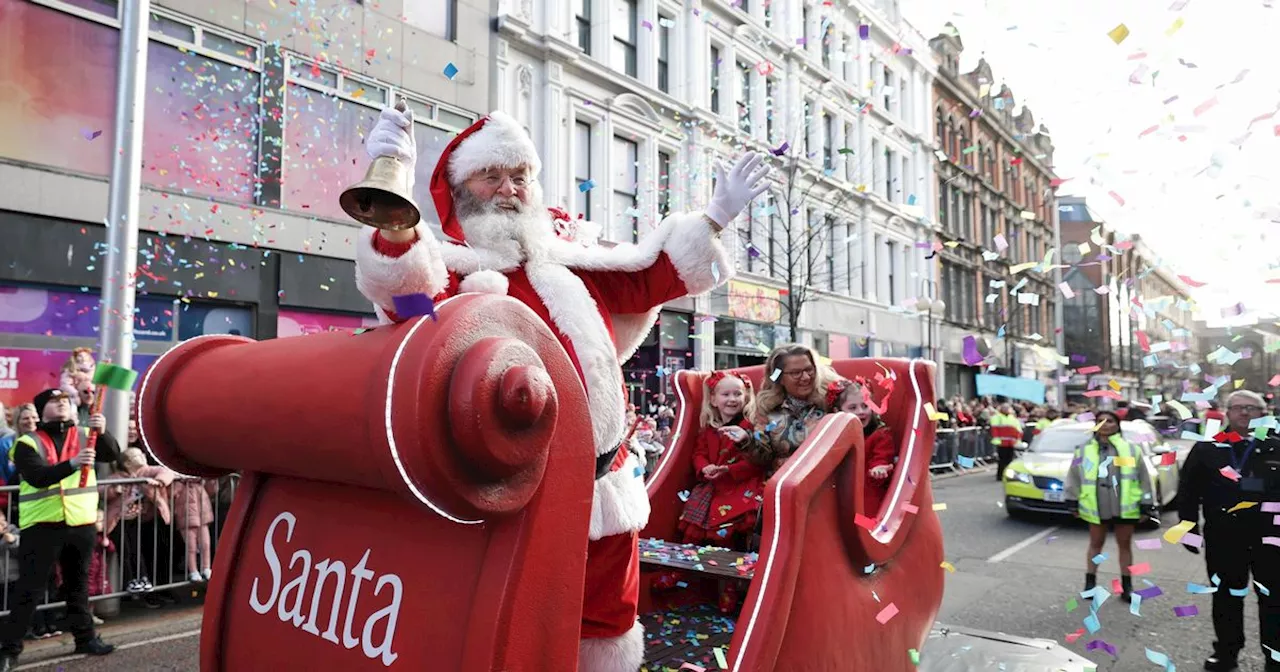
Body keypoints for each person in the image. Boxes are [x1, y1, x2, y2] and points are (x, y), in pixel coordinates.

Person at [353, 105, 765, 670]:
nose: (509, 189)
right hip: (516, 492)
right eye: (492, 176)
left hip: (605, 484)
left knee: (606, 620)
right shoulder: (446, 271)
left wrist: (716, 215)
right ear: (461, 190)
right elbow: (406, 305)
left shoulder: (566, 263)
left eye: (520, 176)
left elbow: (652, 276)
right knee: (514, 620)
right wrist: (393, 205)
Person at [0, 389, 118, 670]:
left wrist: (103, 433)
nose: (62, 404)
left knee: (78, 585)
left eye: (65, 401)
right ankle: (9, 650)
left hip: (81, 522)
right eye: (55, 401)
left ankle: (85, 637)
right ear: (42, 410)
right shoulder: (27, 442)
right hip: (42, 525)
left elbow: (113, 454)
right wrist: (73, 463)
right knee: (29, 589)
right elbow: (39, 477)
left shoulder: (84, 434)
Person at [1176, 390, 1280, 672]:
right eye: (1238, 408)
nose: (1245, 413)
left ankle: (1275, 657)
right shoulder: (1208, 447)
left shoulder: (1276, 445)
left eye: (1252, 408)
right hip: (1224, 538)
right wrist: (1188, 528)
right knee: (1225, 597)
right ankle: (1226, 653)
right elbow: (1187, 491)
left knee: (1273, 600)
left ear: (1263, 413)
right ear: (1227, 412)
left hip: (1270, 539)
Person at [677, 371, 762, 614]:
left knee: (725, 538)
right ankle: (678, 572)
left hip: (740, 488)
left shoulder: (749, 427)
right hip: (714, 487)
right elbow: (698, 454)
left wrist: (730, 470)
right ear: (714, 399)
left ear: (746, 397)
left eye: (738, 393)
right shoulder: (709, 429)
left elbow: (756, 460)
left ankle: (729, 592)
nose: (732, 399)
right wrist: (705, 468)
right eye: (726, 394)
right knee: (691, 527)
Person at [1063, 410, 1154, 604]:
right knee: (1096, 544)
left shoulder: (1131, 450)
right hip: (1097, 504)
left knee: (1125, 545)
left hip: (1125, 506)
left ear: (1117, 425)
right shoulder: (1084, 450)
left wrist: (1147, 504)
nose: (1105, 424)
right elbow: (1074, 476)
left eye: (1110, 421)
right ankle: (1090, 584)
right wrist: (1072, 500)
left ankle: (1127, 586)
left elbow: (1143, 478)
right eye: (1099, 420)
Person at [744, 344, 834, 475]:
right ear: (779, 378)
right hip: (784, 483)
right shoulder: (767, 408)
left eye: (809, 370)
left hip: (826, 478)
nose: (806, 377)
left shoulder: (833, 398)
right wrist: (746, 442)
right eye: (796, 373)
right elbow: (761, 458)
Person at [828, 378, 896, 515]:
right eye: (853, 408)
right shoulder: (833, 436)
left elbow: (882, 456)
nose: (861, 411)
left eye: (865, 406)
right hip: (840, 498)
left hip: (868, 498)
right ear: (837, 411)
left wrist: (879, 468)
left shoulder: (880, 435)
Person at [990, 403, 1024, 482]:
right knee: (1002, 460)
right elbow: (994, 430)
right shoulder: (997, 417)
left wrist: (1017, 440)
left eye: (1007, 408)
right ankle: (1000, 475)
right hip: (1002, 442)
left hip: (1011, 443)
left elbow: (1018, 430)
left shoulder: (1012, 418)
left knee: (1009, 460)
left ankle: (1008, 475)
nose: (1006, 409)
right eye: (1004, 408)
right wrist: (997, 440)